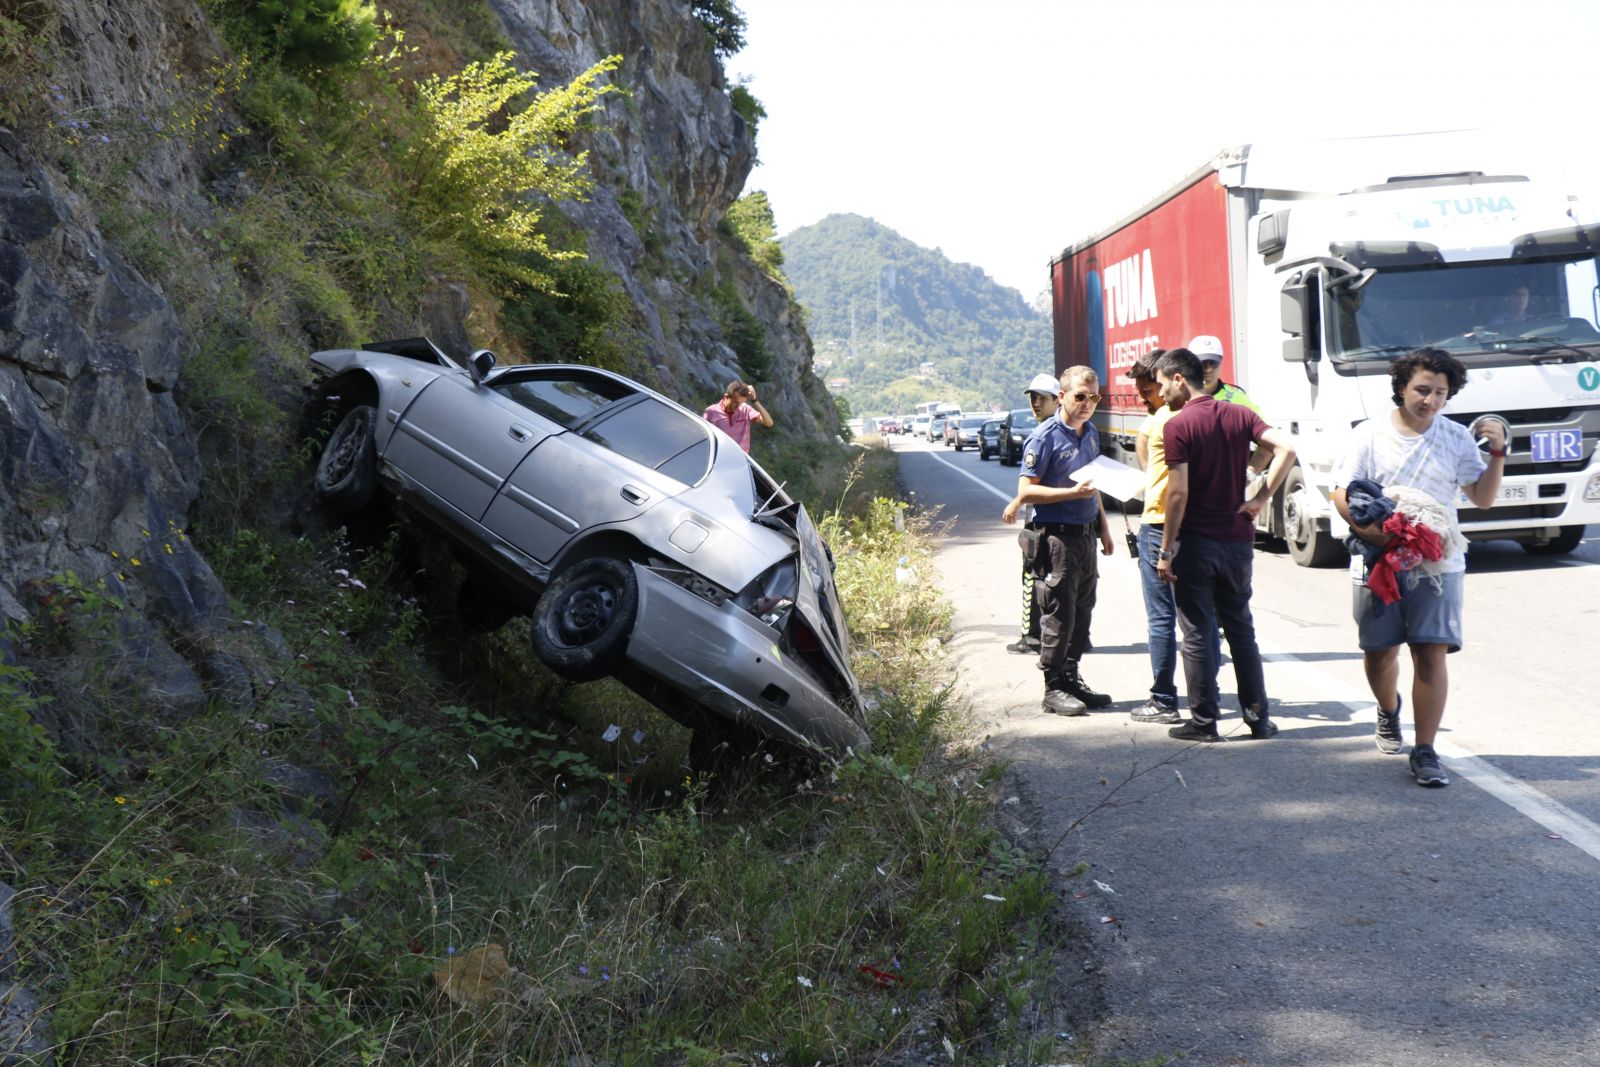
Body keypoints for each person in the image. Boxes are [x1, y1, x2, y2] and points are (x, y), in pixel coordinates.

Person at [1330, 347, 1504, 787]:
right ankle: (1388, 711)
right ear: (1402, 387)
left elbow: (1482, 498)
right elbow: (1340, 492)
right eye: (1422, 390)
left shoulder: (1456, 438)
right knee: (1379, 652)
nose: (1430, 400)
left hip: (1438, 563)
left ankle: (1425, 750)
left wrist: (1499, 453)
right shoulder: (1369, 434)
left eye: (1440, 393)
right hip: (1377, 560)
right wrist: (1376, 536)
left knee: (1430, 651)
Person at [1154, 348, 1296, 741]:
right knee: (1241, 630)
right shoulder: (1240, 414)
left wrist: (1166, 549)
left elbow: (1178, 493)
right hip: (1237, 542)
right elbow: (1286, 449)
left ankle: (1204, 723)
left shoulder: (1177, 425)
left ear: (1179, 378)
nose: (1161, 393)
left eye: (1163, 384)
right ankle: (1258, 719)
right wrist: (1260, 498)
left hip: (1197, 543)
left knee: (1198, 633)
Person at [1002, 367, 1117, 715]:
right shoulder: (1044, 437)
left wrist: (1104, 527)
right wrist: (1070, 493)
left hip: (1086, 535)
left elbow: (1093, 483)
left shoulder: (1090, 432)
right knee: (1058, 615)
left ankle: (1071, 677)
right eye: (1080, 396)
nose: (1087, 404)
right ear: (1063, 396)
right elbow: (1026, 491)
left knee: (1082, 612)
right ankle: (1052, 688)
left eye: (1094, 397)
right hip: (1056, 538)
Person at [1128, 348, 1205, 725]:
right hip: (1195, 525)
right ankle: (1204, 698)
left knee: (1160, 617)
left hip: (1160, 523)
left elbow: (1147, 454)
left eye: (1152, 387)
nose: (1150, 395)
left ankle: (1163, 699)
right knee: (1198, 617)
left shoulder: (1161, 420)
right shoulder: (1197, 415)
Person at [1006, 373, 1063, 655]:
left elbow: (1029, 486)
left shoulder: (1043, 436)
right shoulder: (1069, 431)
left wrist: (1018, 501)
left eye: (1042, 398)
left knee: (1032, 576)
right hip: (1059, 521)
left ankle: (1031, 637)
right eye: (1032, 398)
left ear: (1057, 400)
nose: (1036, 403)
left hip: (1042, 521)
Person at [1187, 335, 1260, 412]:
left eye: (1213, 363)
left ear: (1221, 364)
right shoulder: (1181, 398)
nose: (1208, 369)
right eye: (1202, 363)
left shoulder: (1238, 398)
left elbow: (1259, 419)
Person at [702, 380, 773, 452]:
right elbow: (704, 437)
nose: (738, 406)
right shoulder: (711, 412)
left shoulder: (745, 409)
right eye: (735, 402)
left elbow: (769, 423)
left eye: (741, 403)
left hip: (740, 457)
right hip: (719, 455)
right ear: (726, 397)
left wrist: (754, 400)